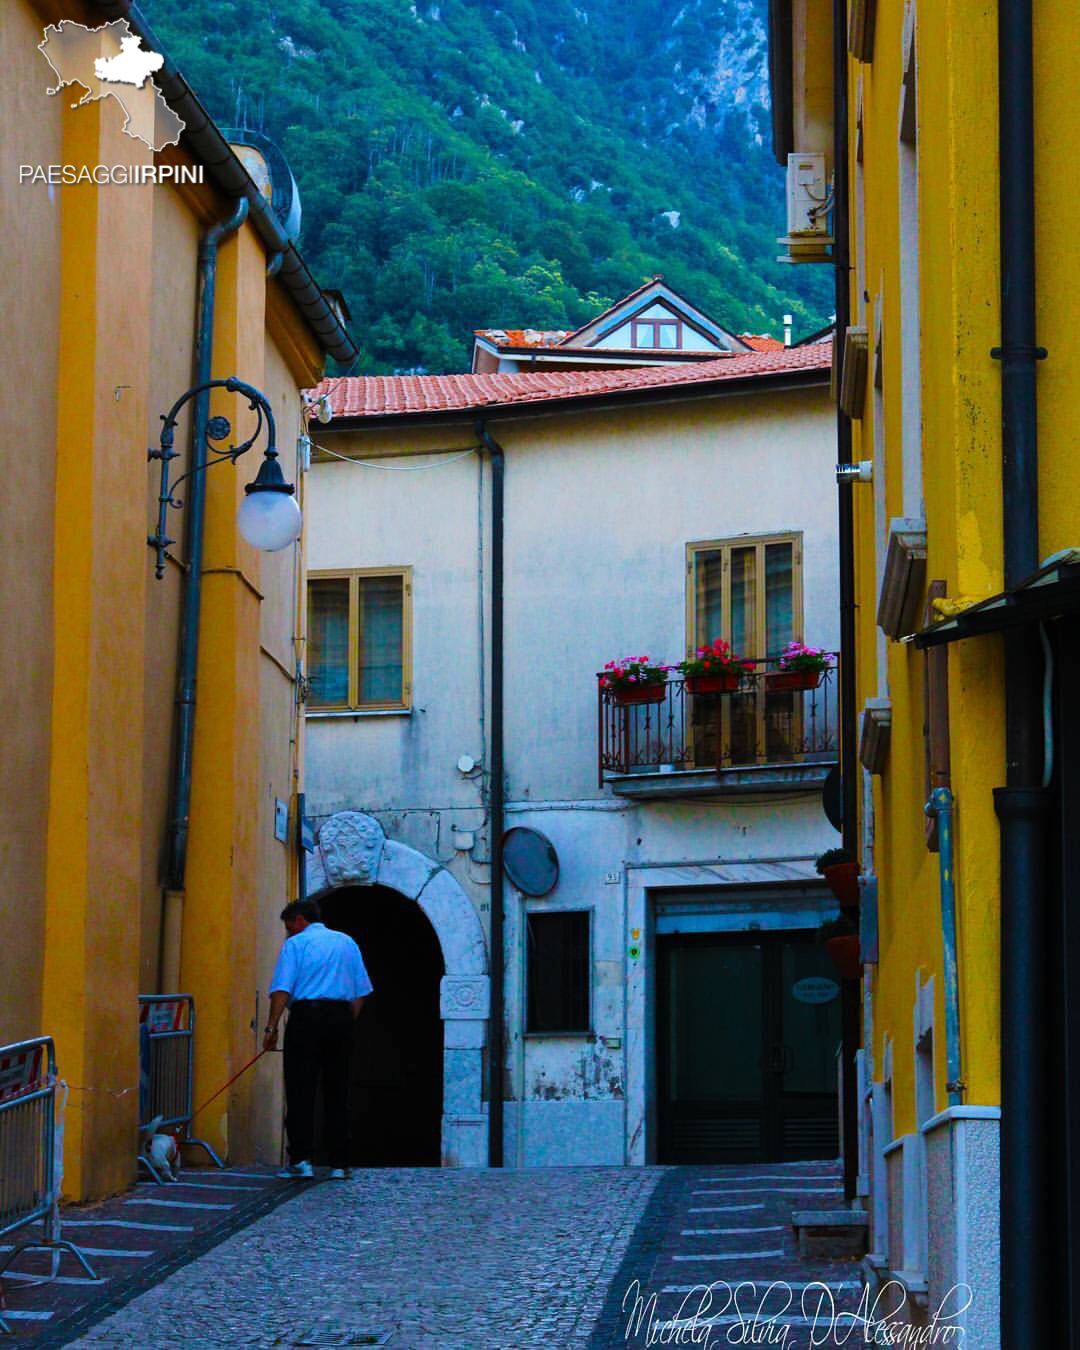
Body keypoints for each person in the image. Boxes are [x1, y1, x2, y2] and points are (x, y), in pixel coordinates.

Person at [263, 898, 373, 1179]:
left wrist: (271, 1027)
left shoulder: (296, 945)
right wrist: (347, 1021)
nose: (288, 933)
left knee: (301, 1090)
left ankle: (301, 1160)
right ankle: (340, 1162)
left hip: (306, 1018)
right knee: (338, 1090)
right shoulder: (347, 943)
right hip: (340, 1018)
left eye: (289, 927)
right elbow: (361, 991)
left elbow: (282, 989)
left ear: (300, 920)